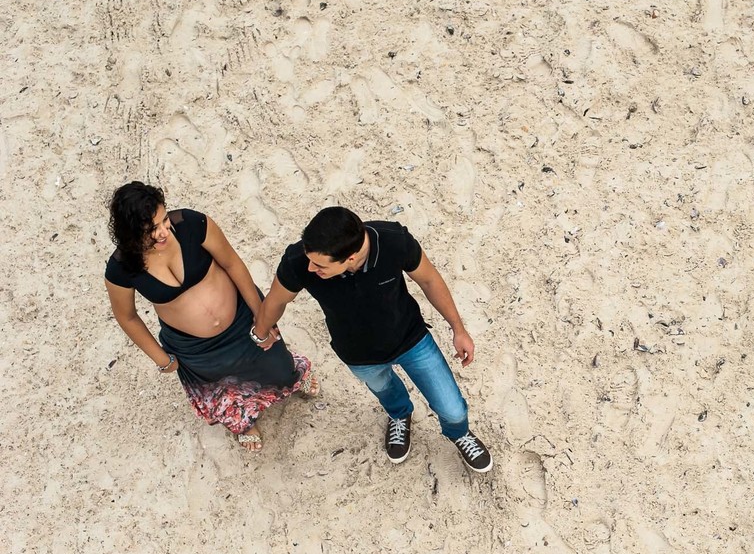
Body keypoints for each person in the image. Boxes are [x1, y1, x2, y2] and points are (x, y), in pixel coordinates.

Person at [252, 207, 493, 473]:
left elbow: (429, 280)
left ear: (351, 258)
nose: (311, 268)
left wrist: (458, 329)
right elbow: (276, 300)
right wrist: (260, 332)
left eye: (320, 265)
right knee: (385, 390)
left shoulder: (394, 240)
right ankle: (400, 415)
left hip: (411, 339)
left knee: (453, 408)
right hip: (358, 353)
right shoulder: (300, 260)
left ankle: (458, 432)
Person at [104, 181, 318, 451]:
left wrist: (258, 312)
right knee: (222, 389)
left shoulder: (193, 224)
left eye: (164, 220)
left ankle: (294, 375)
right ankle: (242, 421)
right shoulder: (121, 269)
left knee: (277, 364)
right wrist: (161, 358)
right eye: (151, 230)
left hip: (241, 321)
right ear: (130, 234)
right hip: (194, 347)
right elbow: (127, 317)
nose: (163, 233)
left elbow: (232, 263)